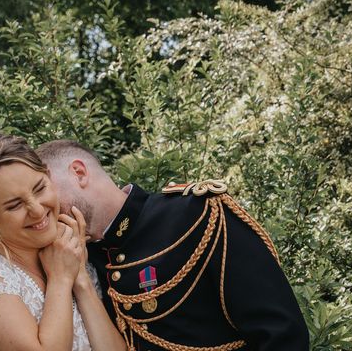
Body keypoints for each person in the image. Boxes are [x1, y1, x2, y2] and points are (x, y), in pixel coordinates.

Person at [36, 139, 310, 351]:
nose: (43, 207)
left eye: (44, 189)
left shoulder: (197, 214)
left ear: (79, 172)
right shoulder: (80, 259)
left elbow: (281, 333)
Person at [0, 134, 126, 351]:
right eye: (15, 205)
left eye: (39, 188)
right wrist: (61, 278)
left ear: (48, 176)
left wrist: (80, 279)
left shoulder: (69, 253)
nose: (37, 209)